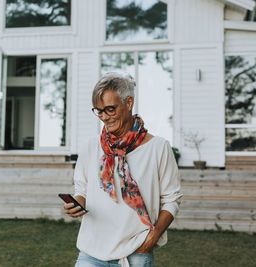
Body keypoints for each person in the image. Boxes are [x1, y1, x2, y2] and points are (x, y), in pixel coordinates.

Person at [64, 72, 182, 267]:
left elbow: (172, 199)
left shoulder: (158, 148)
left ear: (128, 103)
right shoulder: (90, 147)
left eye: (110, 109)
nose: (104, 117)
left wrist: (151, 239)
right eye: (99, 111)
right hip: (91, 252)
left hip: (135, 254)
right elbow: (82, 191)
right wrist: (75, 203)